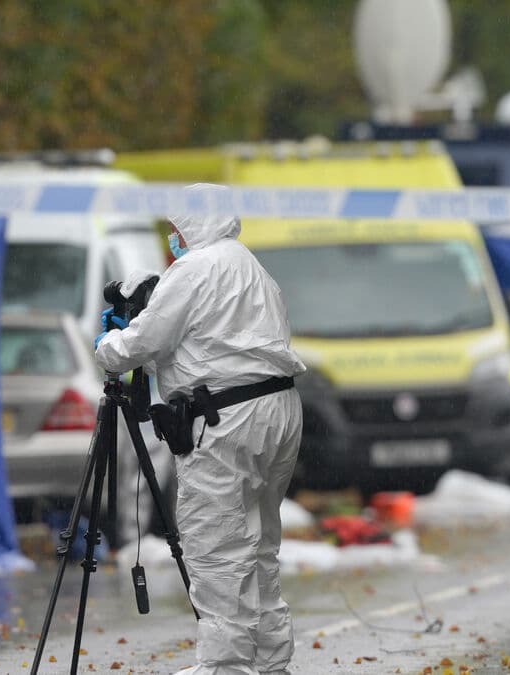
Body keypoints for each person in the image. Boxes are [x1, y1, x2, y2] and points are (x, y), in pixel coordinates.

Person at [94, 183, 306, 675]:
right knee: (259, 544)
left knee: (216, 545)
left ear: (192, 222)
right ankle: (271, 662)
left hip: (226, 418)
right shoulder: (251, 268)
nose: (174, 237)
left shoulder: (194, 269)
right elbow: (211, 344)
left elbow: (142, 343)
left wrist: (108, 344)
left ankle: (225, 666)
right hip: (276, 410)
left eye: (175, 227)